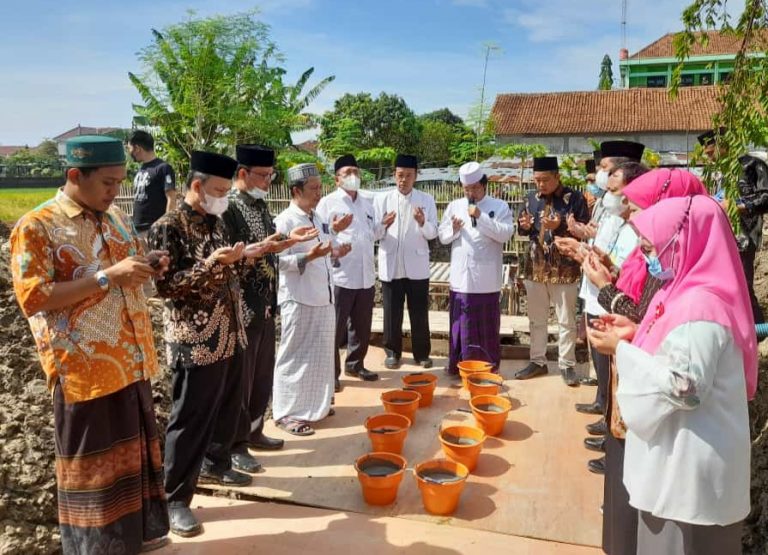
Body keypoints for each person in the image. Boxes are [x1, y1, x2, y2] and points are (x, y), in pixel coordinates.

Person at [10, 135, 171, 554]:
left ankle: (133, 538)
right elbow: (33, 297)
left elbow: (128, 263)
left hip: (130, 358)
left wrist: (149, 263)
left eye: (120, 182)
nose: (115, 191)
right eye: (107, 183)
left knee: (131, 457)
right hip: (83, 369)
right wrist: (106, 278)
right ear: (75, 175)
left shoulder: (115, 217)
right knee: (92, 468)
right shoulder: (38, 225)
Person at [588, 195, 755, 555]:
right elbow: (674, 348)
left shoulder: (701, 307)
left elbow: (686, 387)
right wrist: (635, 332)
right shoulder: (681, 291)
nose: (646, 255)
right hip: (676, 462)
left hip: (689, 475)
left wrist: (621, 351)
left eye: (650, 248)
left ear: (681, 243)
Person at [149, 151, 255, 537]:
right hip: (194, 339)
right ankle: (174, 499)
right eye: (220, 191)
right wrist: (212, 264)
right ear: (197, 185)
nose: (225, 197)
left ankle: (217, 463)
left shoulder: (218, 221)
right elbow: (166, 287)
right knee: (190, 419)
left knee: (227, 406)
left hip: (230, 330)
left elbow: (227, 271)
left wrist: (241, 258)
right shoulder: (168, 226)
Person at [222, 145, 315, 472]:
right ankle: (235, 446)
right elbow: (230, 255)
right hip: (242, 306)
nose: (267, 182)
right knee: (242, 381)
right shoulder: (228, 209)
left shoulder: (260, 206)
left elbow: (268, 247)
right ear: (243, 174)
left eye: (271, 175)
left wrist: (288, 240)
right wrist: (265, 248)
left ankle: (254, 431)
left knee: (262, 376)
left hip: (265, 303)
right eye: (263, 175)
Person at [273, 163, 351, 436]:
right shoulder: (285, 222)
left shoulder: (317, 218)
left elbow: (324, 250)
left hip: (323, 296)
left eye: (320, 187)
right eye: (314, 188)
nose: (319, 193)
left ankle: (316, 407)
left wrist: (336, 251)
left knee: (320, 355)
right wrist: (309, 256)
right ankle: (286, 413)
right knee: (294, 357)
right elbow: (276, 262)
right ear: (296, 191)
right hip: (299, 298)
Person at [514, 156, 590, 386]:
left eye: (545, 180)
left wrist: (561, 226)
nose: (540, 184)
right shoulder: (530, 198)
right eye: (537, 180)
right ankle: (537, 361)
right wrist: (524, 226)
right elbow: (523, 228)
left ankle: (566, 365)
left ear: (557, 176)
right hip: (536, 267)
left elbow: (585, 230)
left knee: (566, 320)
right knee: (536, 320)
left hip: (564, 269)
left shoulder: (575, 198)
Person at [438, 161, 515, 375]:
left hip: (486, 279)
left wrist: (480, 216)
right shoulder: (454, 206)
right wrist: (453, 229)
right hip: (461, 277)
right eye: (466, 189)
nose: (471, 193)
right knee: (461, 324)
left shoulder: (500, 206)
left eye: (475, 188)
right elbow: (443, 237)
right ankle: (459, 365)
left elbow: (505, 234)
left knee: (485, 324)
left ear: (484, 185)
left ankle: (487, 366)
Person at [317, 154, 386, 390]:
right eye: (347, 173)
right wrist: (334, 230)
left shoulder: (367, 203)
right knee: (335, 328)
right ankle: (331, 373)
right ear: (337, 179)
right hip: (340, 275)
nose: (353, 176)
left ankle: (355, 364)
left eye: (356, 172)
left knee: (361, 325)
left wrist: (383, 225)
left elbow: (371, 233)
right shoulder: (327, 203)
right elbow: (320, 235)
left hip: (365, 274)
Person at [373, 154, 438, 369]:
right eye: (400, 175)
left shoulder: (426, 200)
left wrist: (422, 222)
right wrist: (383, 224)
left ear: (416, 176)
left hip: (417, 266)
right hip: (391, 265)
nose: (404, 180)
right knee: (392, 312)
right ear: (394, 175)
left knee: (419, 312)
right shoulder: (381, 200)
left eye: (409, 175)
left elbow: (432, 233)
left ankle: (422, 354)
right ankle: (392, 353)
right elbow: (373, 234)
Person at [699, 127, 768, 323]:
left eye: (711, 153)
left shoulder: (752, 165)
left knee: (743, 284)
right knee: (725, 284)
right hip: (720, 234)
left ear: (723, 145)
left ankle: (756, 329)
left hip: (744, 235)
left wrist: (737, 205)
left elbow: (765, 198)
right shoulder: (716, 172)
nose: (709, 158)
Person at [128, 130, 177, 238]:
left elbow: (171, 198)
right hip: (137, 229)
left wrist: (165, 227)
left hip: (154, 230)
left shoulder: (163, 168)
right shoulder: (141, 169)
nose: (129, 153)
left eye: (129, 148)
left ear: (137, 148)